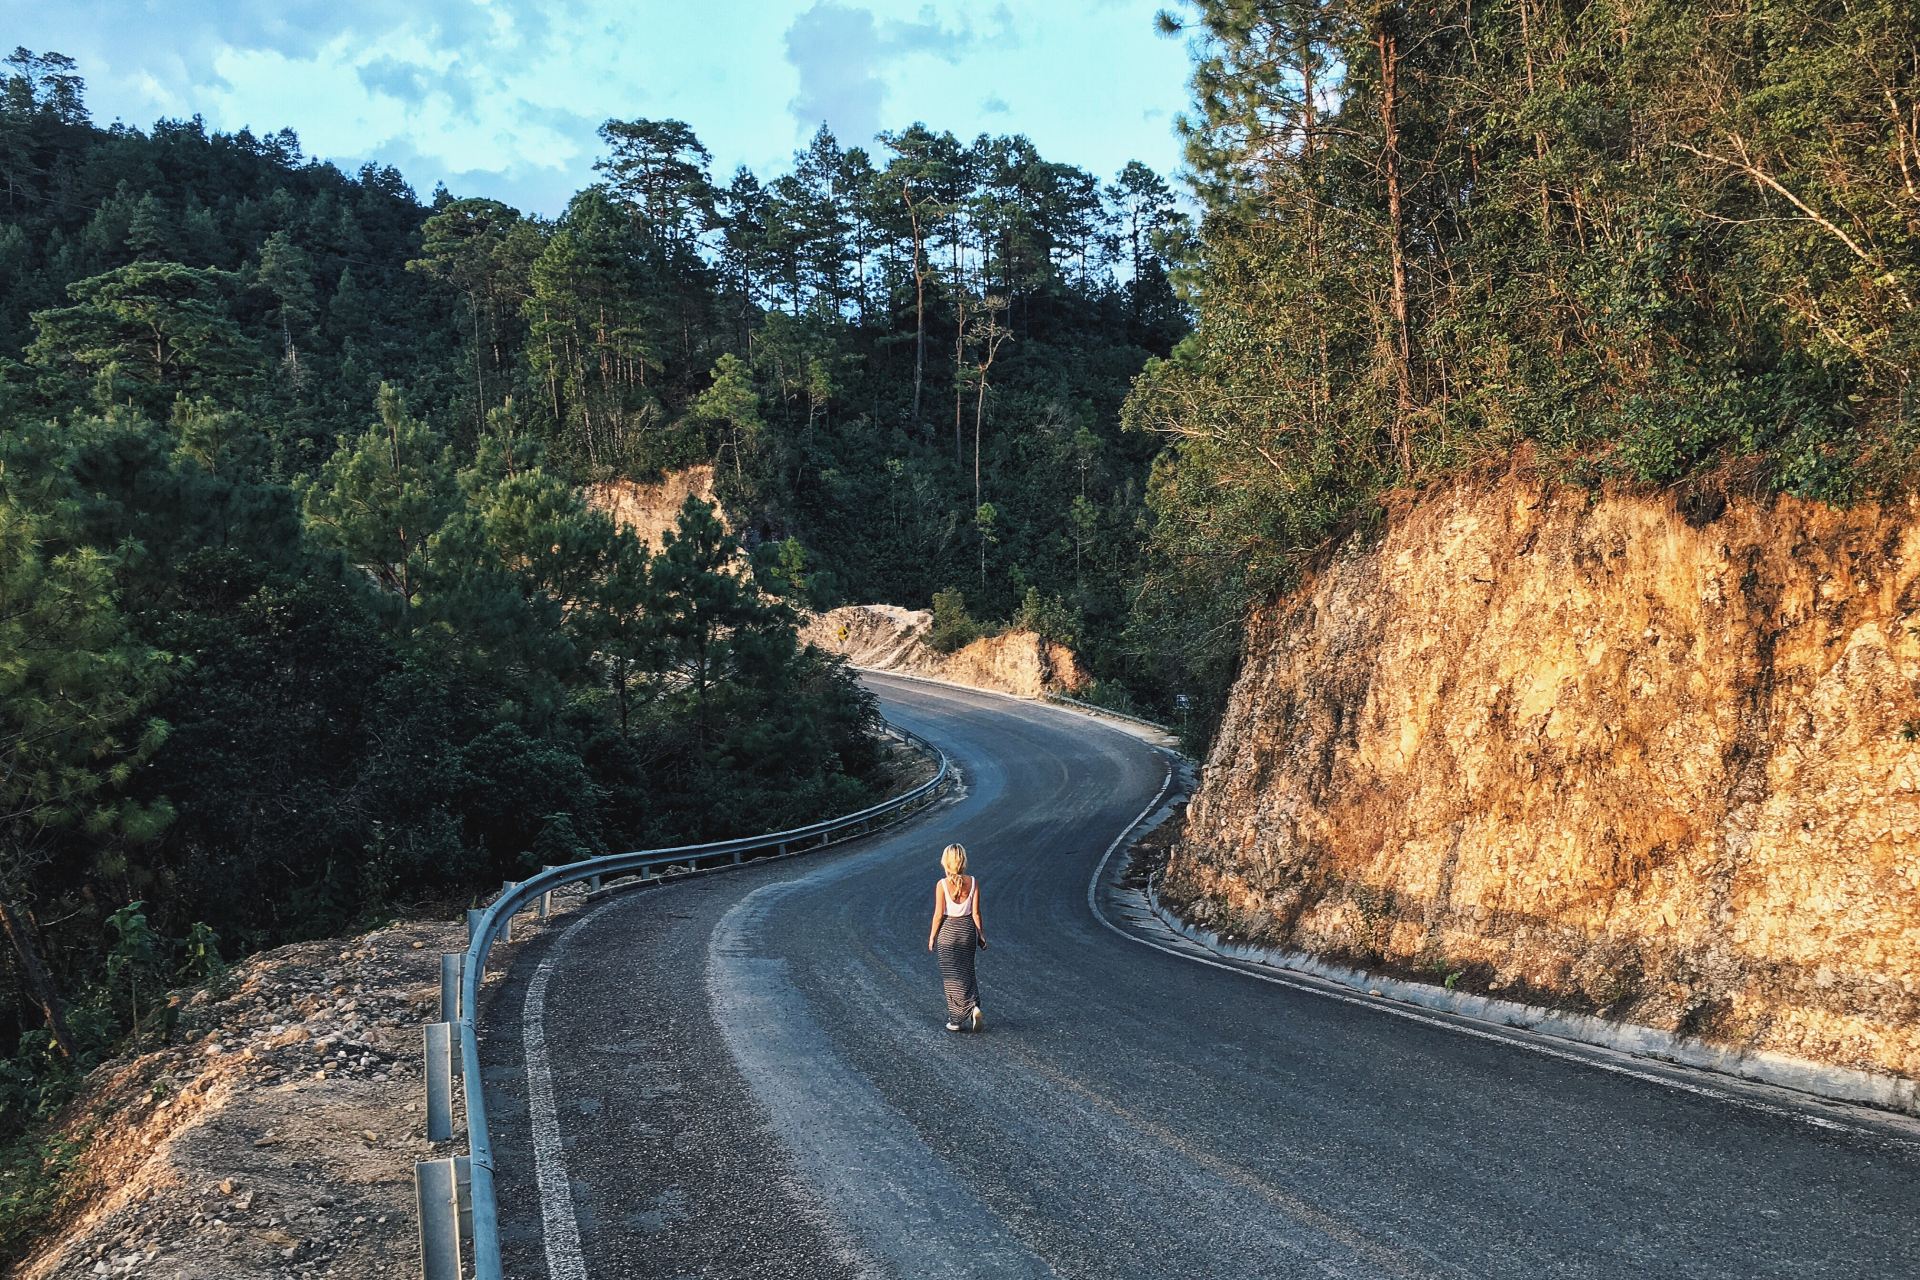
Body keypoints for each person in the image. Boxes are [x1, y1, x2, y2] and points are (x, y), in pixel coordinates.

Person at [926, 842, 985, 1032]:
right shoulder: (974, 882)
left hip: (949, 931)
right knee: (967, 971)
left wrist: (932, 936)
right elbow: (976, 913)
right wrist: (981, 935)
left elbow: (938, 914)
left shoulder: (942, 884)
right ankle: (974, 1006)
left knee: (951, 976)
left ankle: (956, 1019)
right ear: (963, 861)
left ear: (946, 862)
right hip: (967, 929)